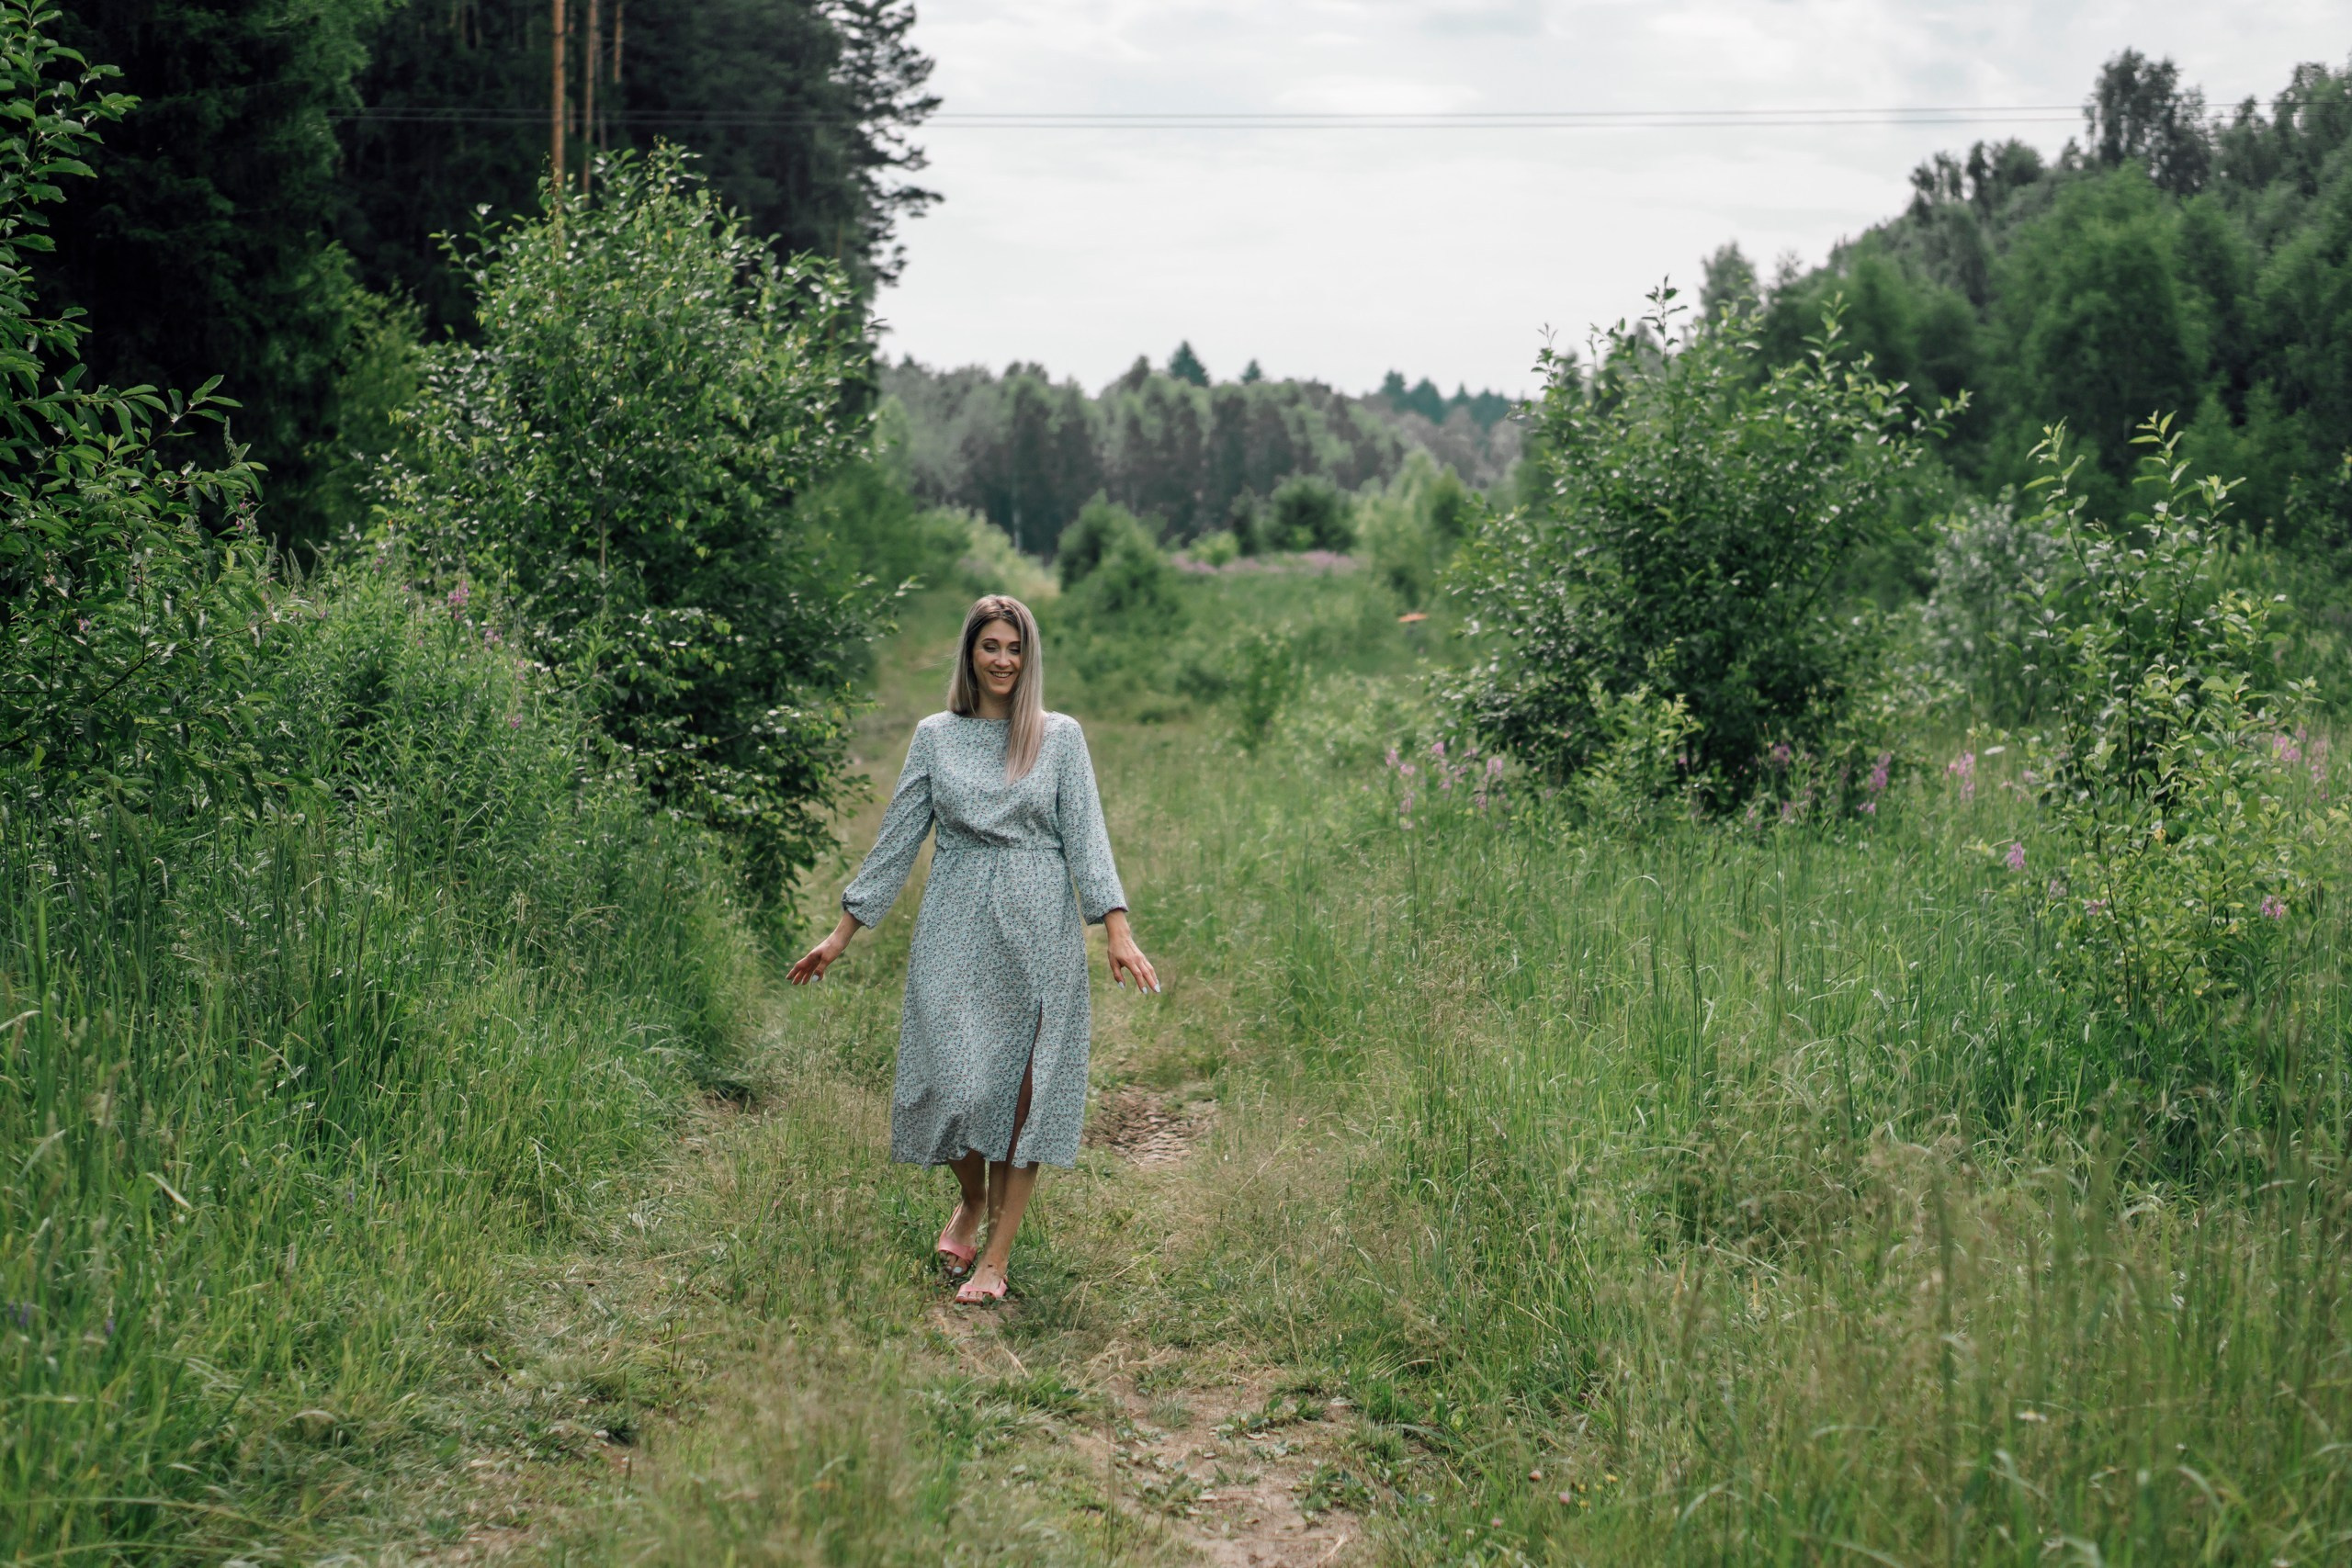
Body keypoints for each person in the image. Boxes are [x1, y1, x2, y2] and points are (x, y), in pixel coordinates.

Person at [789, 594, 1159, 1303]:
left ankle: (996, 1258)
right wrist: (841, 933)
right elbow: (898, 838)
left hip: (1037, 928)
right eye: (991, 645)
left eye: (1015, 648)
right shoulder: (935, 736)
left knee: (1021, 1099)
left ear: (1029, 656)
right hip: (954, 924)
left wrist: (1116, 927)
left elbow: (1088, 836)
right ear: (969, 652)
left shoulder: (1059, 737)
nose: (1003, 660)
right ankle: (972, 1197)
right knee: (954, 1086)